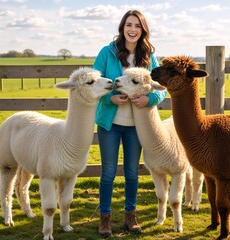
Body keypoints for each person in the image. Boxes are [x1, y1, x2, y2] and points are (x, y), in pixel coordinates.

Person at [92, 9, 167, 237]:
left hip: (137, 126)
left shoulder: (149, 58)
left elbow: (161, 90)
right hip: (110, 123)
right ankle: (105, 218)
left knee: (133, 172)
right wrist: (109, 98)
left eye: (137, 26)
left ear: (143, 30)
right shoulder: (107, 53)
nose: (132, 30)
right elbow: (94, 84)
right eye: (128, 25)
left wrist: (149, 98)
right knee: (108, 172)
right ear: (122, 28)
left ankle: (130, 217)